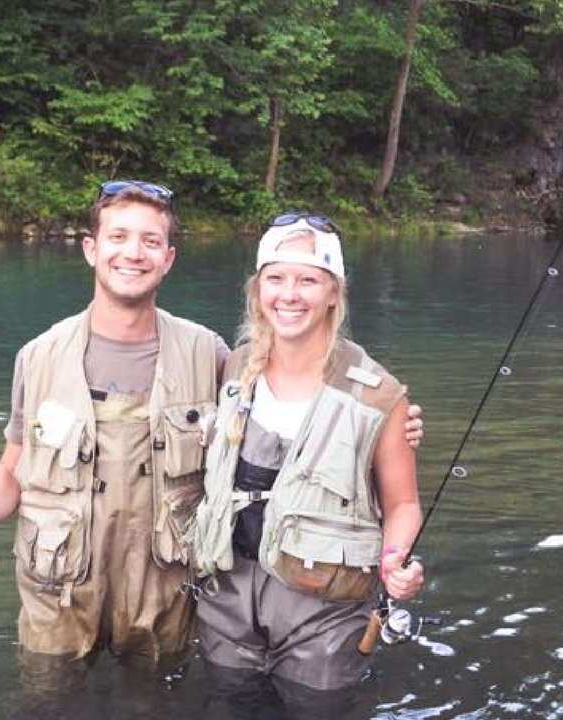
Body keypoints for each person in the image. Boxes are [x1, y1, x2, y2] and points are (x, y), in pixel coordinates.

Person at [0, 187, 423, 678]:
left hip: (164, 599)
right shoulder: (37, 357)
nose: (133, 253)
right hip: (56, 598)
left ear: (169, 258)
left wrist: (391, 426)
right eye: (118, 237)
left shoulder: (212, 357)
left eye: (150, 241)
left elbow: (296, 413)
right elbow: (11, 473)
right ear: (90, 249)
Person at [187, 212, 426, 706]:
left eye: (308, 280)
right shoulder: (233, 367)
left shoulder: (381, 395)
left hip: (326, 614)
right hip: (228, 602)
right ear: (257, 291)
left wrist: (395, 562)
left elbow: (402, 504)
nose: (289, 294)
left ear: (335, 292)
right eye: (276, 278)